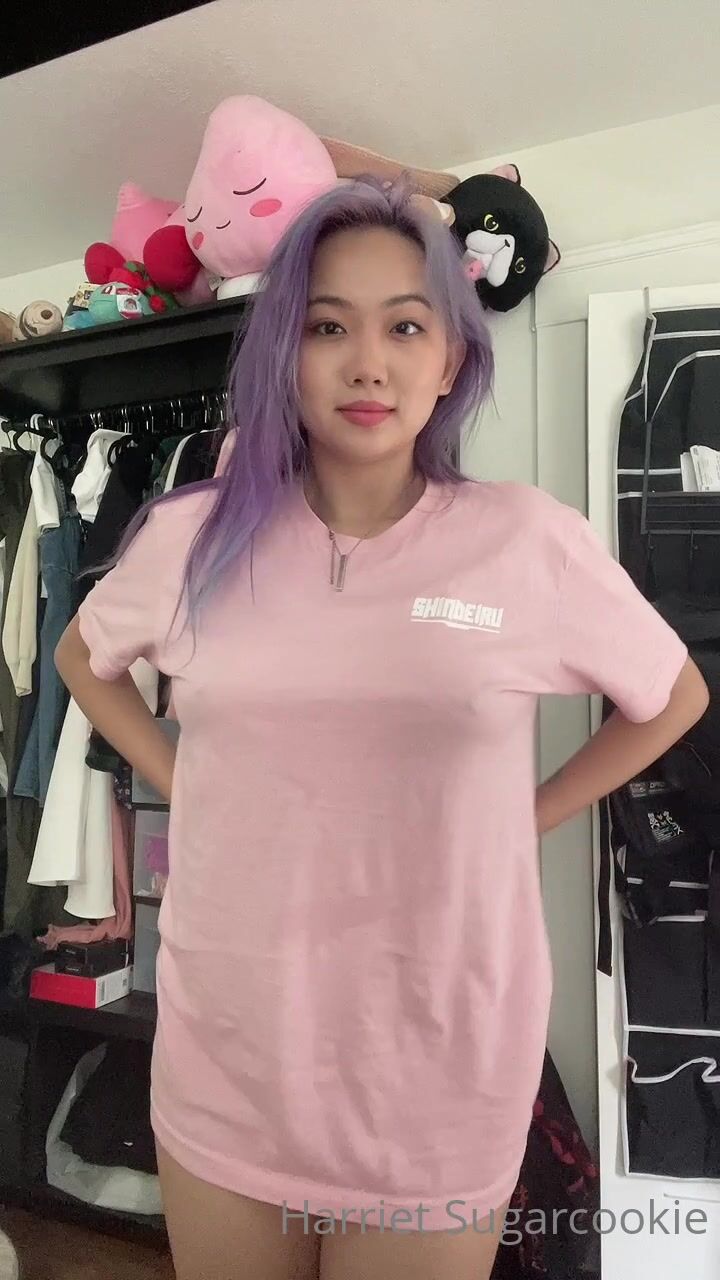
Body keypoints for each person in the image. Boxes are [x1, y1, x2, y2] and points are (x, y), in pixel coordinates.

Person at [55, 176, 708, 1280]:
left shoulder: (524, 542)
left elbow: (672, 694)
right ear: (284, 355)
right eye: (327, 327)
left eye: (406, 326)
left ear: (450, 358)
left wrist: (530, 813)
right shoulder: (193, 539)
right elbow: (82, 657)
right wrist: (179, 770)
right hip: (231, 1045)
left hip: (438, 1063)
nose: (368, 363)